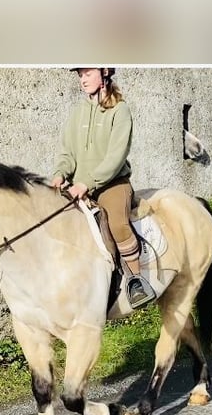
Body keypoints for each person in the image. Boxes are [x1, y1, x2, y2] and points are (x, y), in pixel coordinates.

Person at [51, 67, 155, 309]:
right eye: (80, 75)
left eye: (87, 73)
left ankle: (136, 281)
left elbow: (115, 157)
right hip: (78, 186)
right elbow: (67, 152)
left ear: (104, 74)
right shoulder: (77, 113)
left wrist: (87, 183)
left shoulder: (120, 111)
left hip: (112, 184)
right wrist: (59, 174)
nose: (83, 79)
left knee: (117, 224)